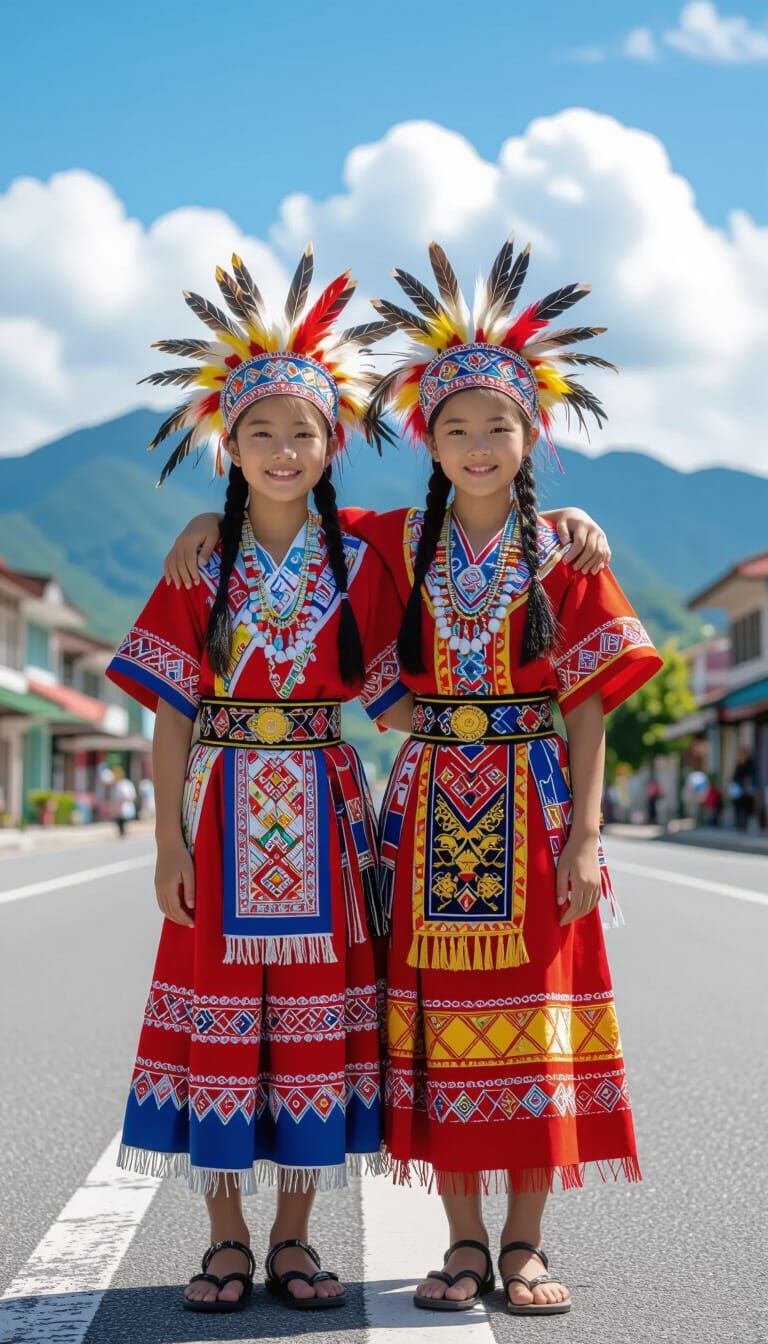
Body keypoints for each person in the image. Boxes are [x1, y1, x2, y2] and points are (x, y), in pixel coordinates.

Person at [358, 240, 662, 1317]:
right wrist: (211, 517)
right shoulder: (391, 540)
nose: (478, 443)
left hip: (533, 814)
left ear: (533, 436)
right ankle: (463, 1245)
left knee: (536, 1025)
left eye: (499, 424)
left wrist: (585, 835)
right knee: (443, 1031)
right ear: (425, 439)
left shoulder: (564, 555)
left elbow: (586, 705)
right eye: (456, 426)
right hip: (431, 812)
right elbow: (280, 512)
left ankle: (526, 1244)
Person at [107, 248, 409, 1315]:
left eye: (306, 431)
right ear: (224, 444)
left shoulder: (365, 560)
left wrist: (569, 528)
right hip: (223, 810)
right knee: (222, 1024)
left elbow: (475, 508)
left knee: (313, 1028)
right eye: (261, 431)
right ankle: (224, 1238)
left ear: (335, 444)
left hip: (325, 819)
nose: (284, 449)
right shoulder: (199, 563)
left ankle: (295, 1238)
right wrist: (164, 842)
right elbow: (174, 710)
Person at [730, 749, 756, 831]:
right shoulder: (739, 764)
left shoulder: (749, 764)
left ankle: (744, 826)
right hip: (737, 789)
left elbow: (750, 777)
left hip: (745, 789)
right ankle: (738, 825)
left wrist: (747, 786)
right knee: (737, 807)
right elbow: (734, 776)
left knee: (746, 807)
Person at [111, 767, 137, 838]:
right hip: (120, 806)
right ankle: (122, 833)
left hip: (124, 806)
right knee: (119, 820)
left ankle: (123, 833)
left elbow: (128, 795)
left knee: (122, 820)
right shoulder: (118, 784)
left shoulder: (124, 784)